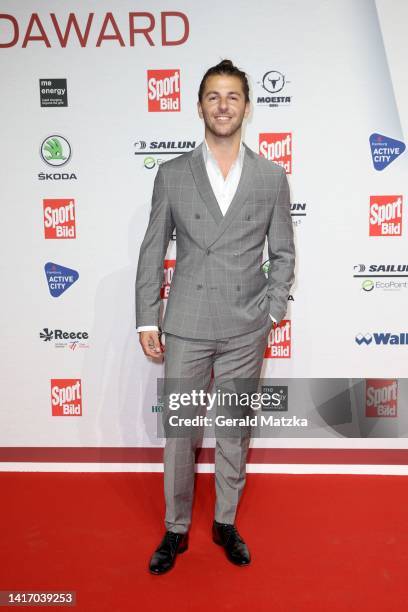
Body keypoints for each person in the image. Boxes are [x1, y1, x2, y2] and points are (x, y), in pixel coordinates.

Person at [135, 59, 295, 574]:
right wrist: (147, 319)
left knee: (233, 428)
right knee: (181, 431)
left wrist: (271, 312)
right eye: (213, 96)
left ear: (247, 107)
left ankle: (225, 521)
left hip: (246, 326)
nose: (222, 105)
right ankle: (175, 528)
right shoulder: (172, 174)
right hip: (186, 323)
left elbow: (284, 254)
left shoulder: (271, 177)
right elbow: (151, 249)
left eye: (232, 96)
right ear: (198, 106)